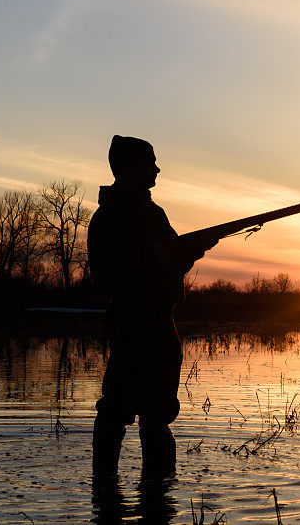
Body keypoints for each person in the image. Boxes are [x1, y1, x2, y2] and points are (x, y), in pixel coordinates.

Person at [87, 135, 217, 478]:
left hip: (162, 320)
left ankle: (158, 497)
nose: (157, 168)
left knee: (158, 414)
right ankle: (104, 492)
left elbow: (171, 263)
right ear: (129, 167)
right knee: (116, 409)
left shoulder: (154, 212)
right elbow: (108, 274)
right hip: (132, 319)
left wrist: (189, 251)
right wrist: (158, 258)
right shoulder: (110, 215)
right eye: (150, 161)